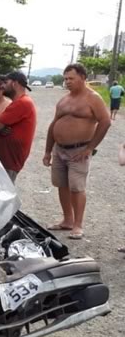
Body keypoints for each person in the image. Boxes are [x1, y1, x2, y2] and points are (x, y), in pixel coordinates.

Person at [43, 63, 111, 240]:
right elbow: (53, 124)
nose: (67, 82)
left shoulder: (93, 98)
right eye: (65, 79)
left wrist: (90, 147)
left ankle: (78, 225)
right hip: (60, 149)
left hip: (79, 150)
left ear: (82, 77)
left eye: (71, 78)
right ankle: (67, 220)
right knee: (61, 185)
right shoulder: (64, 100)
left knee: (76, 187)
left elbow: (105, 122)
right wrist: (48, 150)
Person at [0, 71, 37, 182]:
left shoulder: (22, 103)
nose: (2, 86)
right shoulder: (21, 101)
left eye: (6, 82)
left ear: (14, 83)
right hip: (7, 158)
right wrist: (1, 129)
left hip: (9, 160)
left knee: (3, 193)